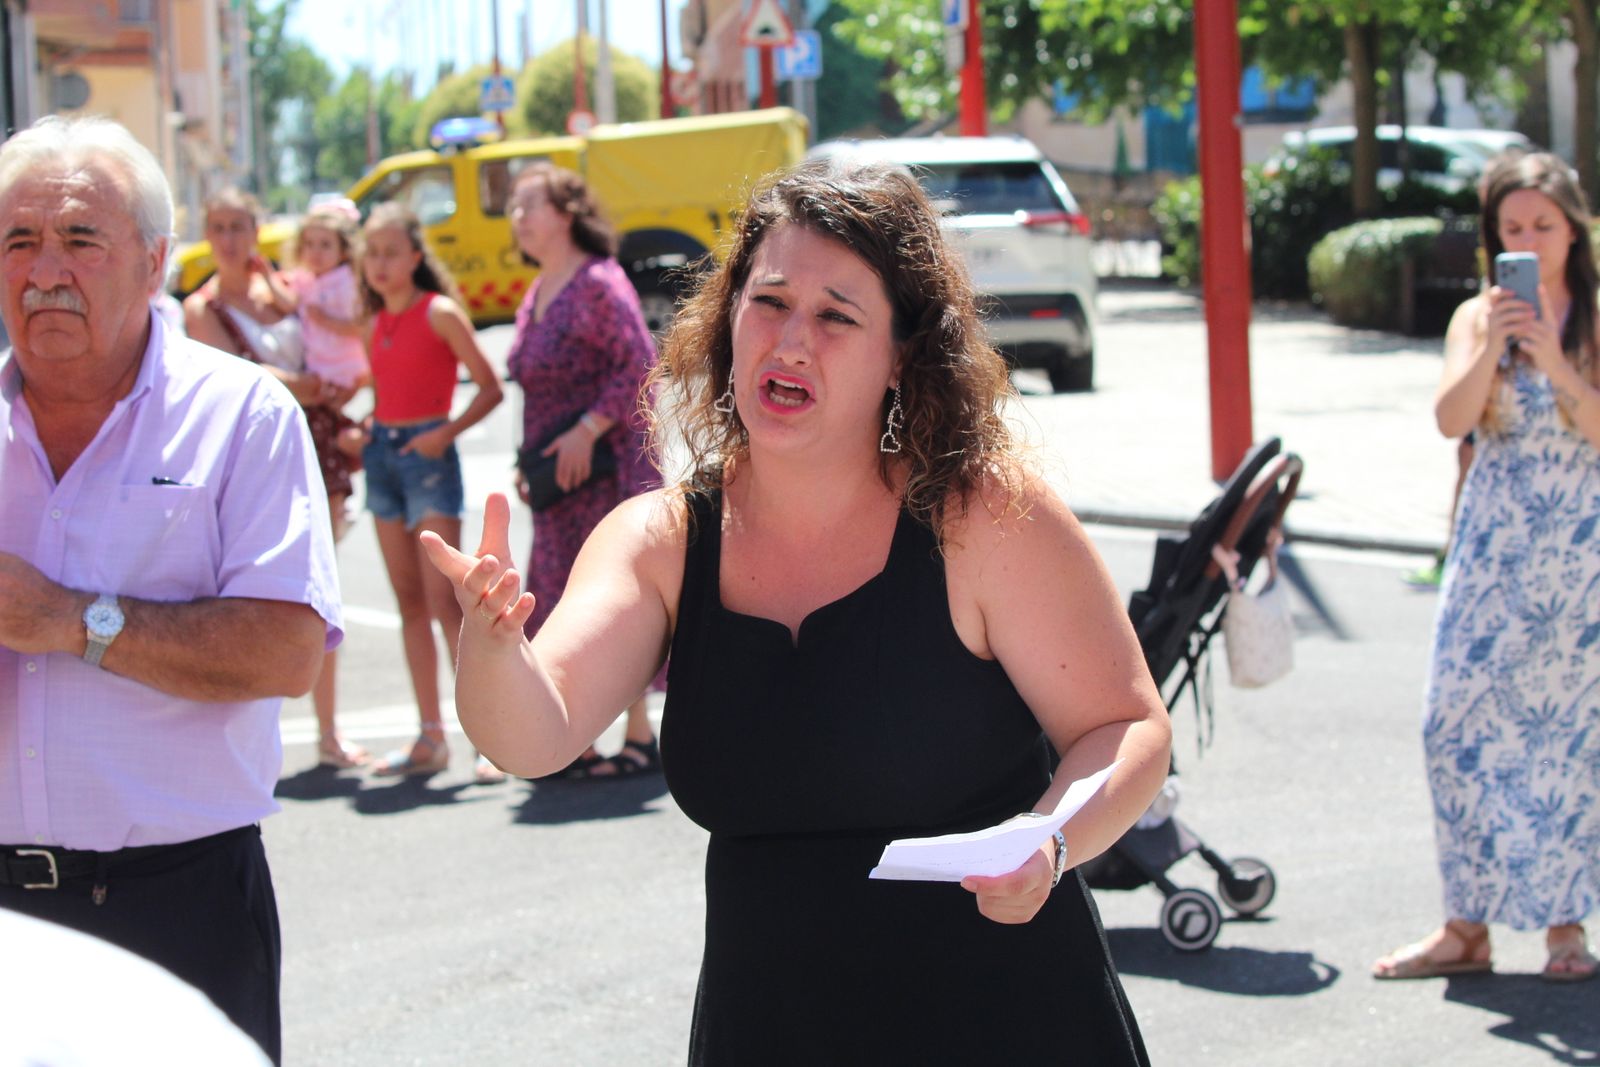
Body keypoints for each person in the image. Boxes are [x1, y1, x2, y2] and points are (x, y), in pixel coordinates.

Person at [424, 158, 1172, 1062]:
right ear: (727, 314)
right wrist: (495, 644)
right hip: (768, 1027)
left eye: (837, 317)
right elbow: (533, 735)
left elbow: (1125, 723)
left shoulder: (983, 515)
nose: (791, 341)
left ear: (902, 355)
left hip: (1006, 1020)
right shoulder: (659, 539)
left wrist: (1052, 841)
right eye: (769, 301)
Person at [0, 115, 341, 1063]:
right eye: (18, 240)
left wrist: (68, 621)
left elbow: (285, 651)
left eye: (79, 239)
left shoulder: (241, 415)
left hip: (178, 907)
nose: (43, 269)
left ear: (153, 265)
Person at [1374, 151, 1600, 983]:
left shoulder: (1592, 312)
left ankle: (1564, 926)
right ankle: (1464, 927)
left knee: (1569, 736)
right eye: (1513, 229)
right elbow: (1449, 421)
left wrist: (1552, 357)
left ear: (1574, 226)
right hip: (1494, 546)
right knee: (1454, 725)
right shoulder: (1480, 315)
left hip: (1581, 551)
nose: (1530, 240)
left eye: (1543, 225)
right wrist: (1498, 342)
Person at [183, 189, 367, 769]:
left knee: (322, 589)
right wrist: (301, 384)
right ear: (208, 235)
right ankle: (244, 740)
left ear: (255, 230)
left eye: (240, 225)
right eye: (219, 227)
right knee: (251, 597)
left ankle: (329, 732)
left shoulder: (287, 292)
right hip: (247, 457)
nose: (231, 239)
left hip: (319, 444)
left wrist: (341, 392)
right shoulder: (201, 306)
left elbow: (340, 337)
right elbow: (231, 374)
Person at [504, 162, 660, 779]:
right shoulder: (537, 290)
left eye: (528, 206)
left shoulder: (598, 281)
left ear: (564, 214)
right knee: (561, 602)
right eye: (514, 209)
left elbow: (640, 363)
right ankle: (579, 739)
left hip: (606, 472)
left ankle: (640, 735)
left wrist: (588, 428)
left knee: (611, 602)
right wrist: (529, 462)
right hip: (557, 483)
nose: (518, 219)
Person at [357, 203, 506, 782]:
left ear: (417, 257)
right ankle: (430, 738)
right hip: (384, 458)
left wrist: (443, 433)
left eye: (392, 252)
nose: (381, 264)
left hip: (429, 458)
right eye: (372, 253)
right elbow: (387, 393)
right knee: (410, 605)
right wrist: (366, 429)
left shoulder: (439, 312)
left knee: (449, 604)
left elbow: (491, 389)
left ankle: (489, 741)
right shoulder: (373, 323)